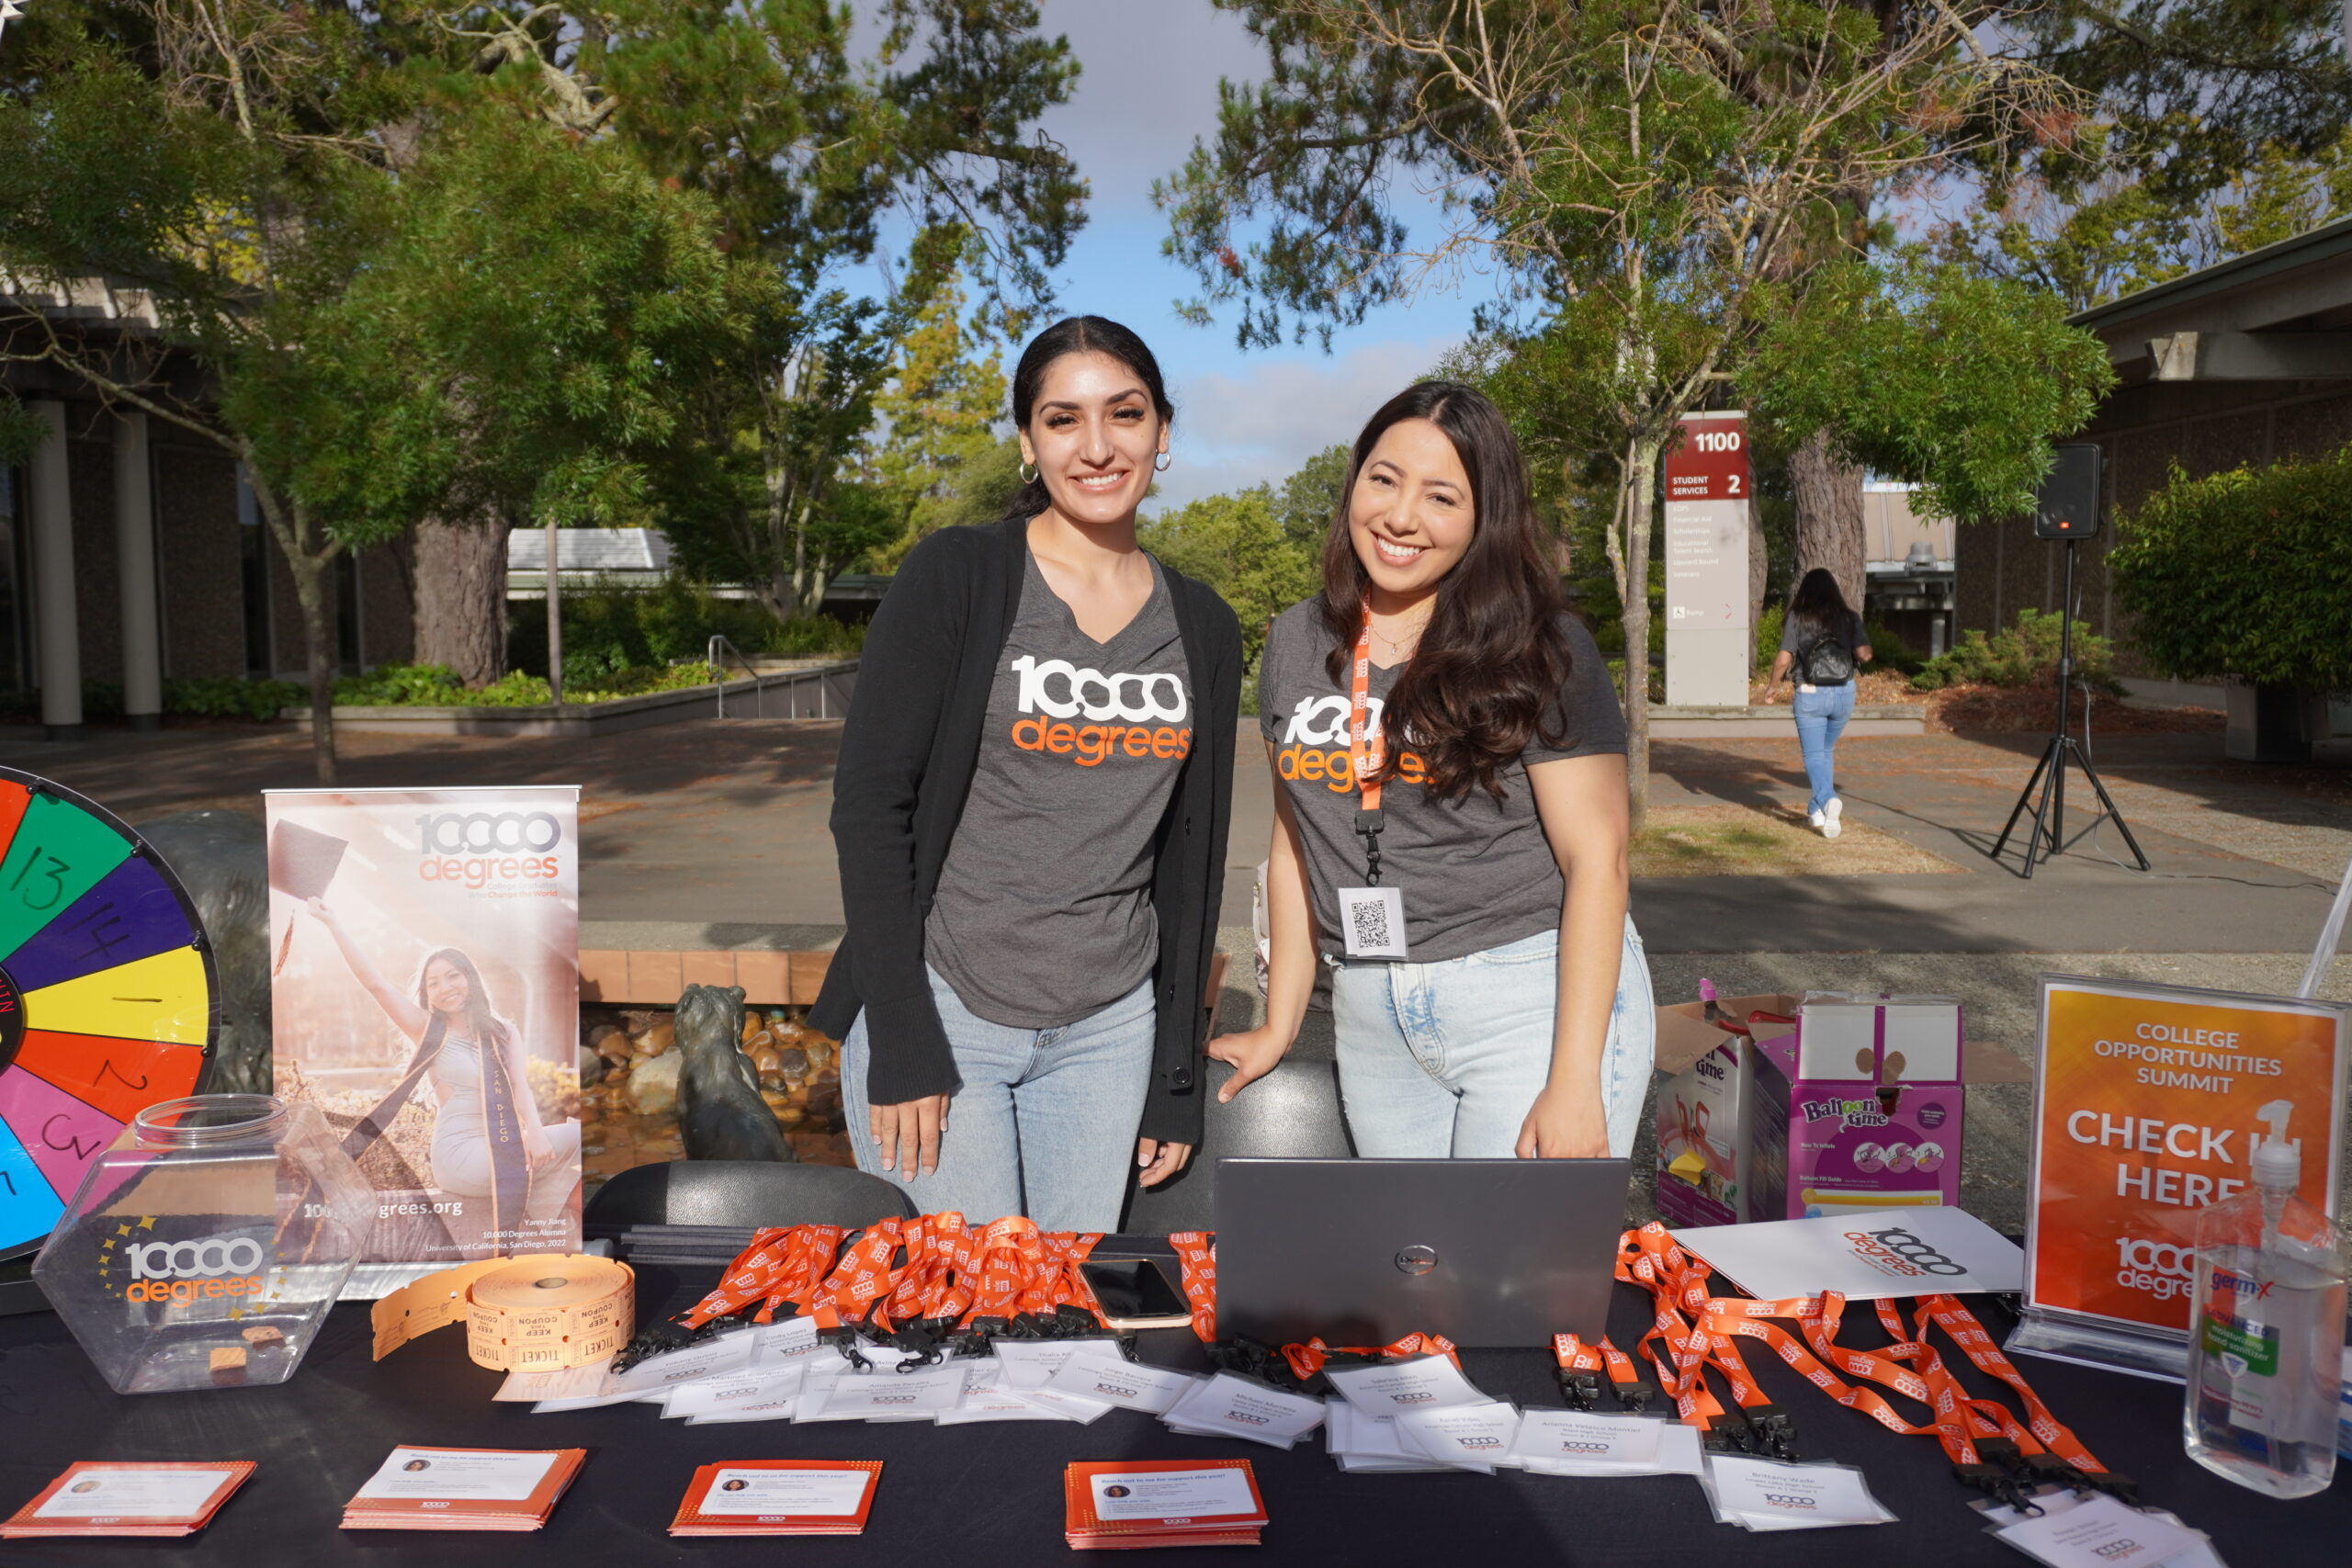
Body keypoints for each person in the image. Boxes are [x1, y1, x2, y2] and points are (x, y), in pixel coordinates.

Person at [811, 316, 1243, 1232]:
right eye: (1062, 420)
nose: (1096, 447)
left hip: (1107, 1032)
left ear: (1162, 432)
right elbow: (870, 808)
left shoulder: (1199, 624)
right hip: (947, 1008)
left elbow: (1190, 864)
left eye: (1124, 415)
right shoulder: (958, 575)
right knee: (962, 1316)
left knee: (1061, 1325)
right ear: (1027, 441)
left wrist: (1174, 1078)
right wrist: (901, 1036)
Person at [1208, 381, 1655, 1159]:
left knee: (1513, 1277)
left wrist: (1576, 1078)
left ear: (1486, 517)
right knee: (1414, 1272)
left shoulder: (1541, 646)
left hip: (1528, 996)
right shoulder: (1293, 640)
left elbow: (1599, 862)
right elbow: (1294, 844)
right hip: (1370, 1004)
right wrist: (1280, 1022)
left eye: (1442, 496)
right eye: (1384, 479)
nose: (1402, 516)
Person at [305, 897, 579, 1234]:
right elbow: (375, 984)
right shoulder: (427, 1030)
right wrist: (333, 924)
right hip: (460, 1154)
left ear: (470, 979)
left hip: (503, 1143)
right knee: (573, 1139)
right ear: (427, 993)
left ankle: (560, 1232)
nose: (445, 987)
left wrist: (535, 1131)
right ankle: (557, 1228)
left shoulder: (502, 1033)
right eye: (433, 983)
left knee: (570, 1147)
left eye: (453, 976)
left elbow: (519, 1085)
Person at [1768, 568, 1872, 839]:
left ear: (1805, 591)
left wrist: (1772, 687)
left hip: (1810, 693)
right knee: (1825, 751)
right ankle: (1817, 811)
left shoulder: (1798, 618)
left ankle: (1827, 799)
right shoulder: (1850, 618)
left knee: (1814, 755)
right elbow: (1864, 655)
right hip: (1844, 693)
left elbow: (1783, 658)